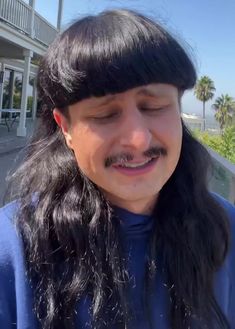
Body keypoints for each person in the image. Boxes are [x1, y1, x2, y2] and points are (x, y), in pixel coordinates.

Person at [0, 9, 234, 329]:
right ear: (65, 127)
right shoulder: (13, 246)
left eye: (153, 107)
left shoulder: (225, 230)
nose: (138, 139)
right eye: (105, 114)